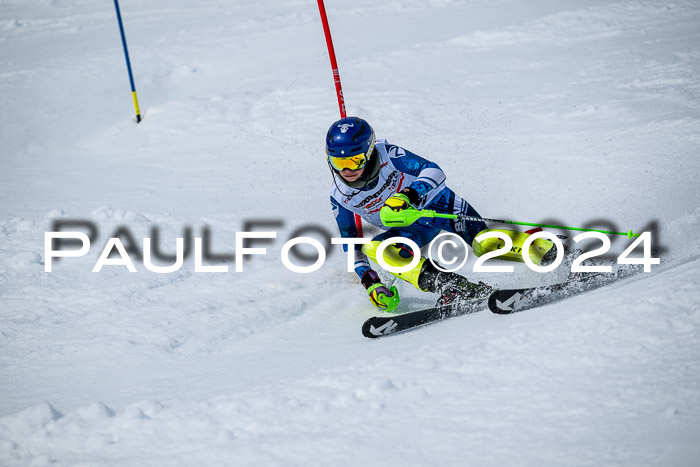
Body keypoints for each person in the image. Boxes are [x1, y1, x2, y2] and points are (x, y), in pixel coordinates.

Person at [327, 117, 554, 312]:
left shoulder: (388, 154)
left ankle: (547, 251)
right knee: (376, 248)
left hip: (440, 205)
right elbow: (352, 246)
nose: (347, 170)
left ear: (368, 153)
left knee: (484, 244)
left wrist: (409, 195)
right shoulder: (340, 196)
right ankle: (451, 285)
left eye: (355, 160)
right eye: (339, 163)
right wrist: (371, 283)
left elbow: (434, 170)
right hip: (412, 229)